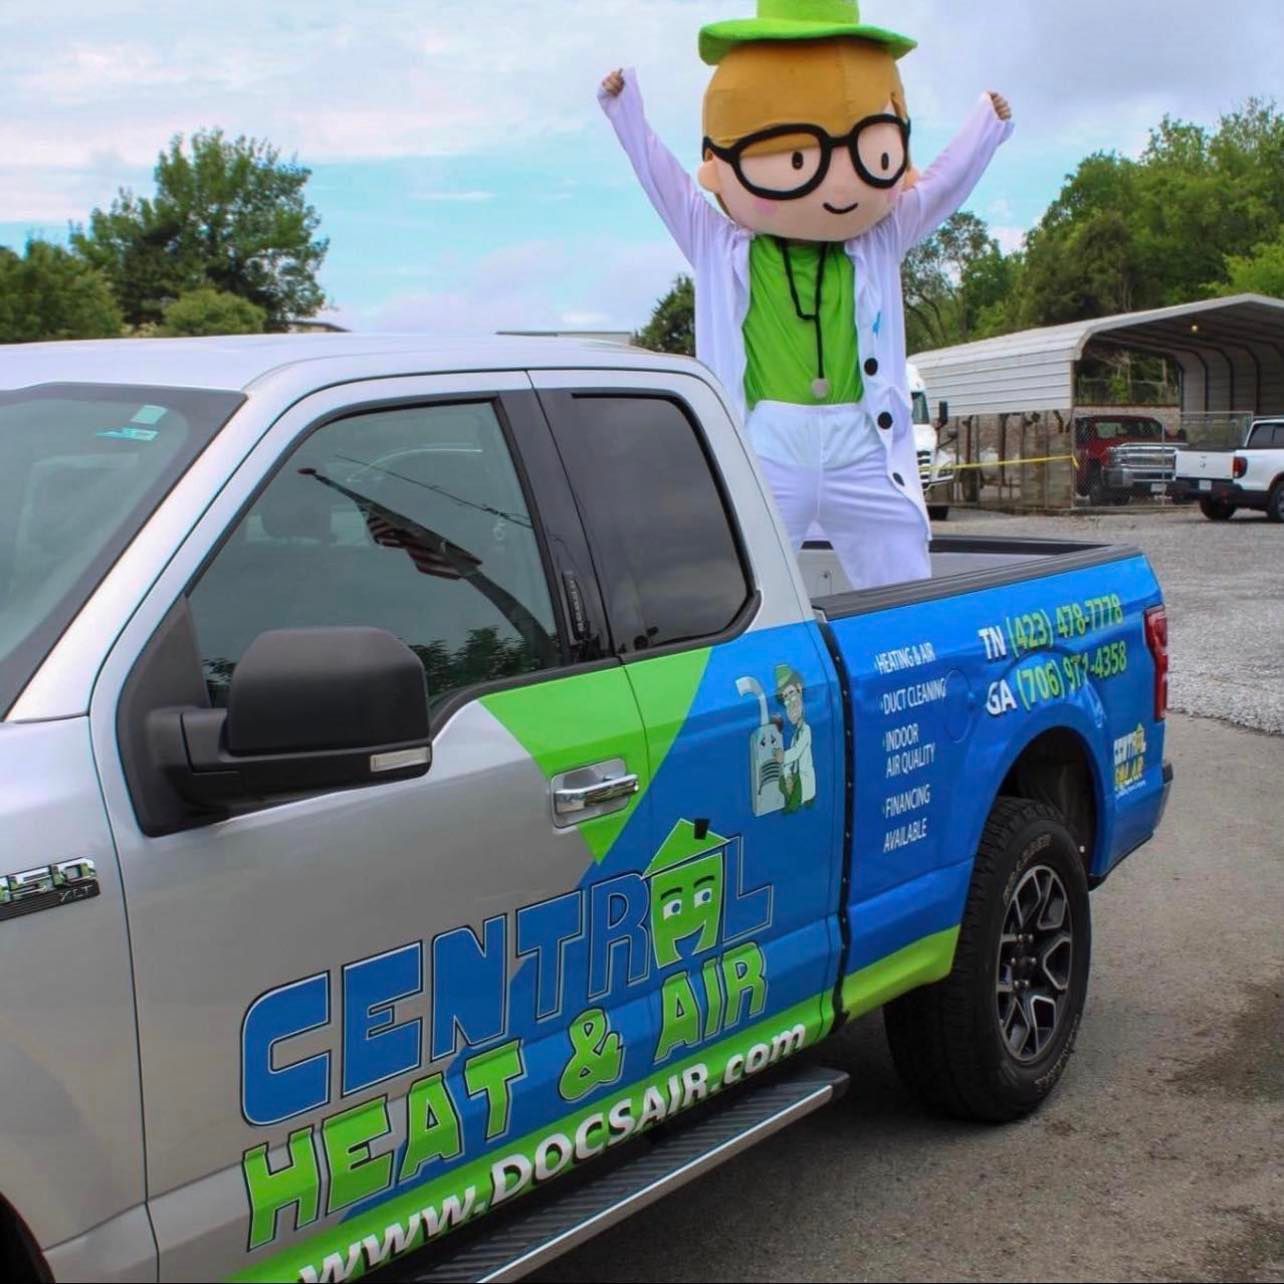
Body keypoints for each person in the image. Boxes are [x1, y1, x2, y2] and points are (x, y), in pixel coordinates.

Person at [598, 0, 1013, 589]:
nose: (836, 181)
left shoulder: (878, 237)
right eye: (796, 157)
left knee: (901, 570)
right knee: (746, 584)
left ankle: (908, 670)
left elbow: (942, 187)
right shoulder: (721, 245)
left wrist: (985, 128)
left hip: (862, 442)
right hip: (769, 444)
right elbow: (665, 183)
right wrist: (626, 111)